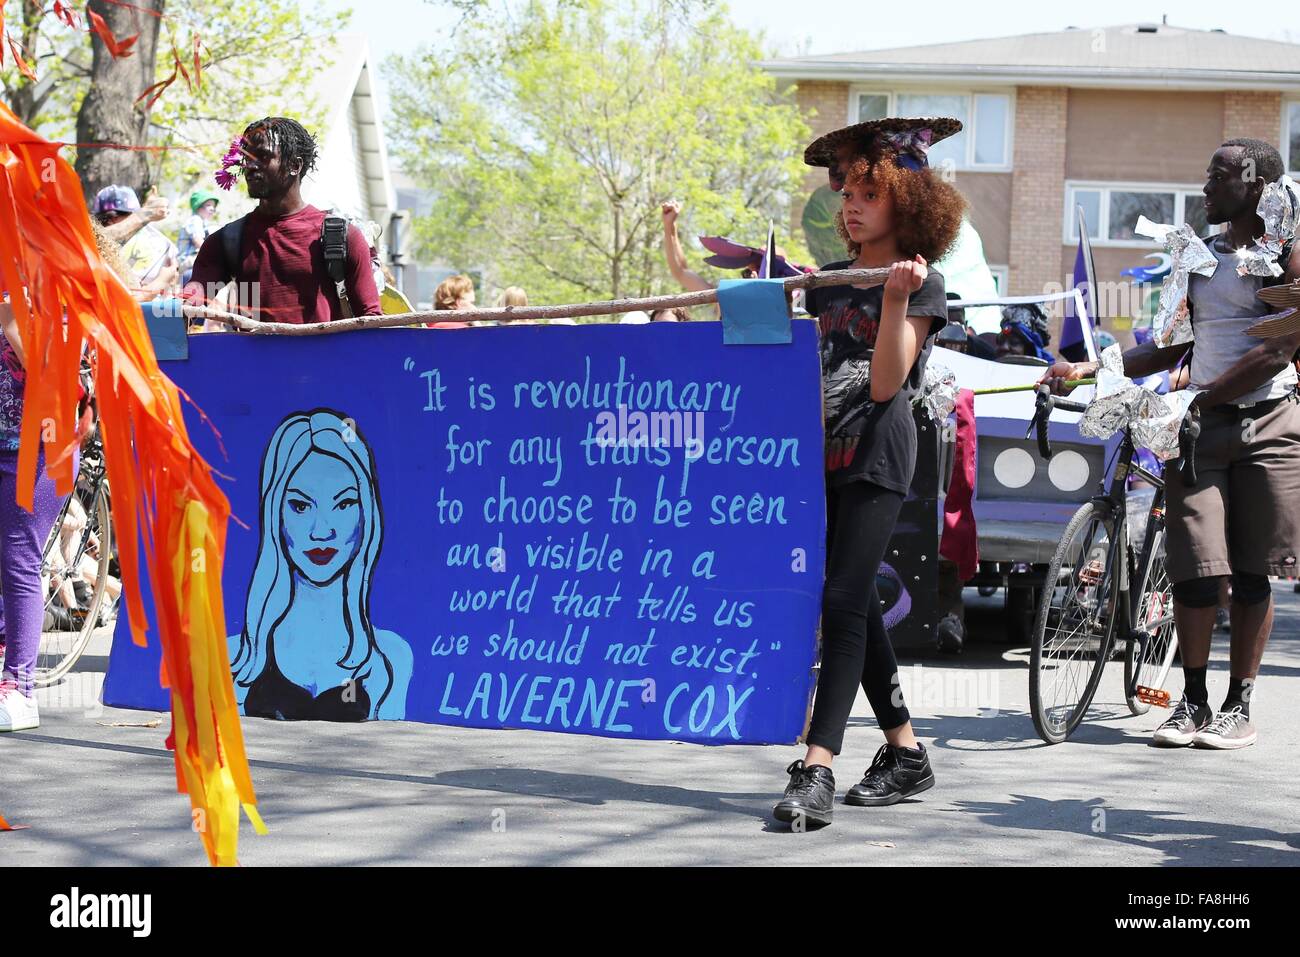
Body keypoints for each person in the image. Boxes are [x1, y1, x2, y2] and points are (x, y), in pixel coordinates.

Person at [1042, 137, 1300, 750]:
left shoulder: (1289, 255)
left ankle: (1238, 707)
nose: (1205, 186)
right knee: (1195, 568)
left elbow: (1278, 350)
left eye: (1219, 176)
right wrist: (1091, 368)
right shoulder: (1200, 255)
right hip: (1199, 428)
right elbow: (1169, 344)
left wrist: (1197, 399)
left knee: (1251, 572)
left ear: (1257, 184)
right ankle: (1192, 701)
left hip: (1269, 425)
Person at [773, 116, 965, 826]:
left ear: (907, 202)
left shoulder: (923, 284)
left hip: (878, 454)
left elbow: (886, 384)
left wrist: (894, 298)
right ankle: (906, 752)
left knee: (844, 599)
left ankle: (817, 765)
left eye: (869, 193)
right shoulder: (826, 282)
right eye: (846, 192)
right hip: (818, 456)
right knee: (848, 599)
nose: (852, 206)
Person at [229, 410, 412, 721]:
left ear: (366, 514)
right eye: (300, 505)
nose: (321, 531)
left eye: (344, 503)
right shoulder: (236, 659)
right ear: (276, 515)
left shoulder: (390, 658)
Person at [183, 117, 381, 325]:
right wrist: (183, 304)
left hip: (326, 349)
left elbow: (371, 320)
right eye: (247, 158)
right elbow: (193, 297)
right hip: (252, 349)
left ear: (294, 165)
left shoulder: (343, 237)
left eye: (263, 157)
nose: (250, 166)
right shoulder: (226, 241)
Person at [0, 300, 74, 731]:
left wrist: (10, 315)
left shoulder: (54, 294)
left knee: (18, 560)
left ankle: (21, 690)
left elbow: (51, 371)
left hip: (40, 448)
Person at [94, 185, 180, 297]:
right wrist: (160, 282)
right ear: (112, 219)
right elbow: (127, 299)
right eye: (131, 216)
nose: (138, 226)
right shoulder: (97, 252)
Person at [177, 189, 219, 285]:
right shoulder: (195, 220)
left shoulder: (203, 223)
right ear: (198, 206)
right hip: (188, 262)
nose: (212, 208)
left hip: (193, 262)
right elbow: (198, 241)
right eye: (208, 205)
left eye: (213, 206)